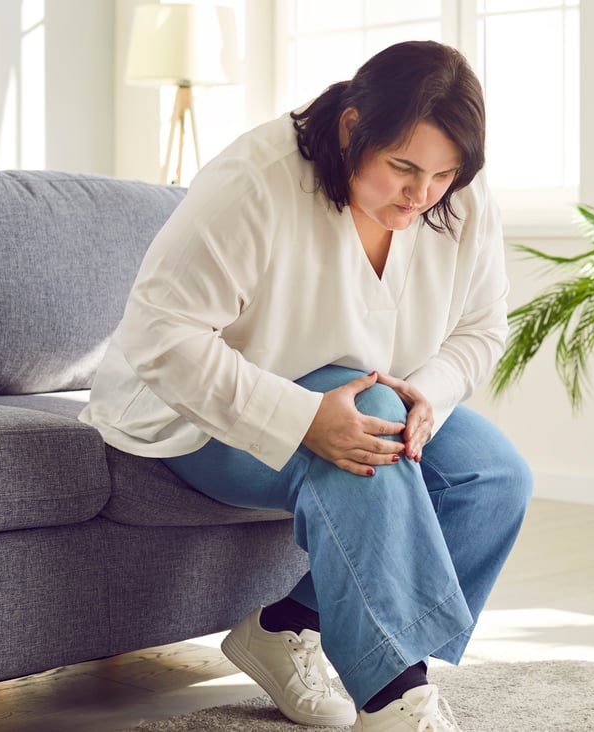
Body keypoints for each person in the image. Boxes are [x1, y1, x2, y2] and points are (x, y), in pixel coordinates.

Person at [79, 40, 532, 731]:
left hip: (365, 395)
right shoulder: (255, 179)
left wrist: (429, 396)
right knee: (366, 431)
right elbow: (159, 336)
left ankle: (289, 625)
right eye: (402, 167)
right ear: (353, 128)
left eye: (442, 175)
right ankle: (395, 701)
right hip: (192, 413)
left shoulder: (455, 193)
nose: (422, 195)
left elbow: (481, 327)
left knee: (492, 477)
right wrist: (301, 419)